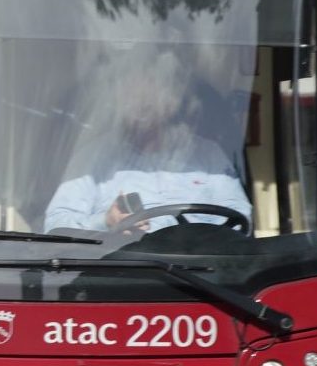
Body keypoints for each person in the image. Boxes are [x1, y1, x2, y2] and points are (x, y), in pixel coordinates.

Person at [43, 49, 252, 236]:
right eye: (132, 92)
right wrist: (105, 222)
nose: (141, 100)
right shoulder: (93, 159)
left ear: (173, 100)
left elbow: (240, 216)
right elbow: (56, 226)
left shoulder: (209, 155)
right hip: (124, 270)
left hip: (201, 269)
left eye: (152, 90)